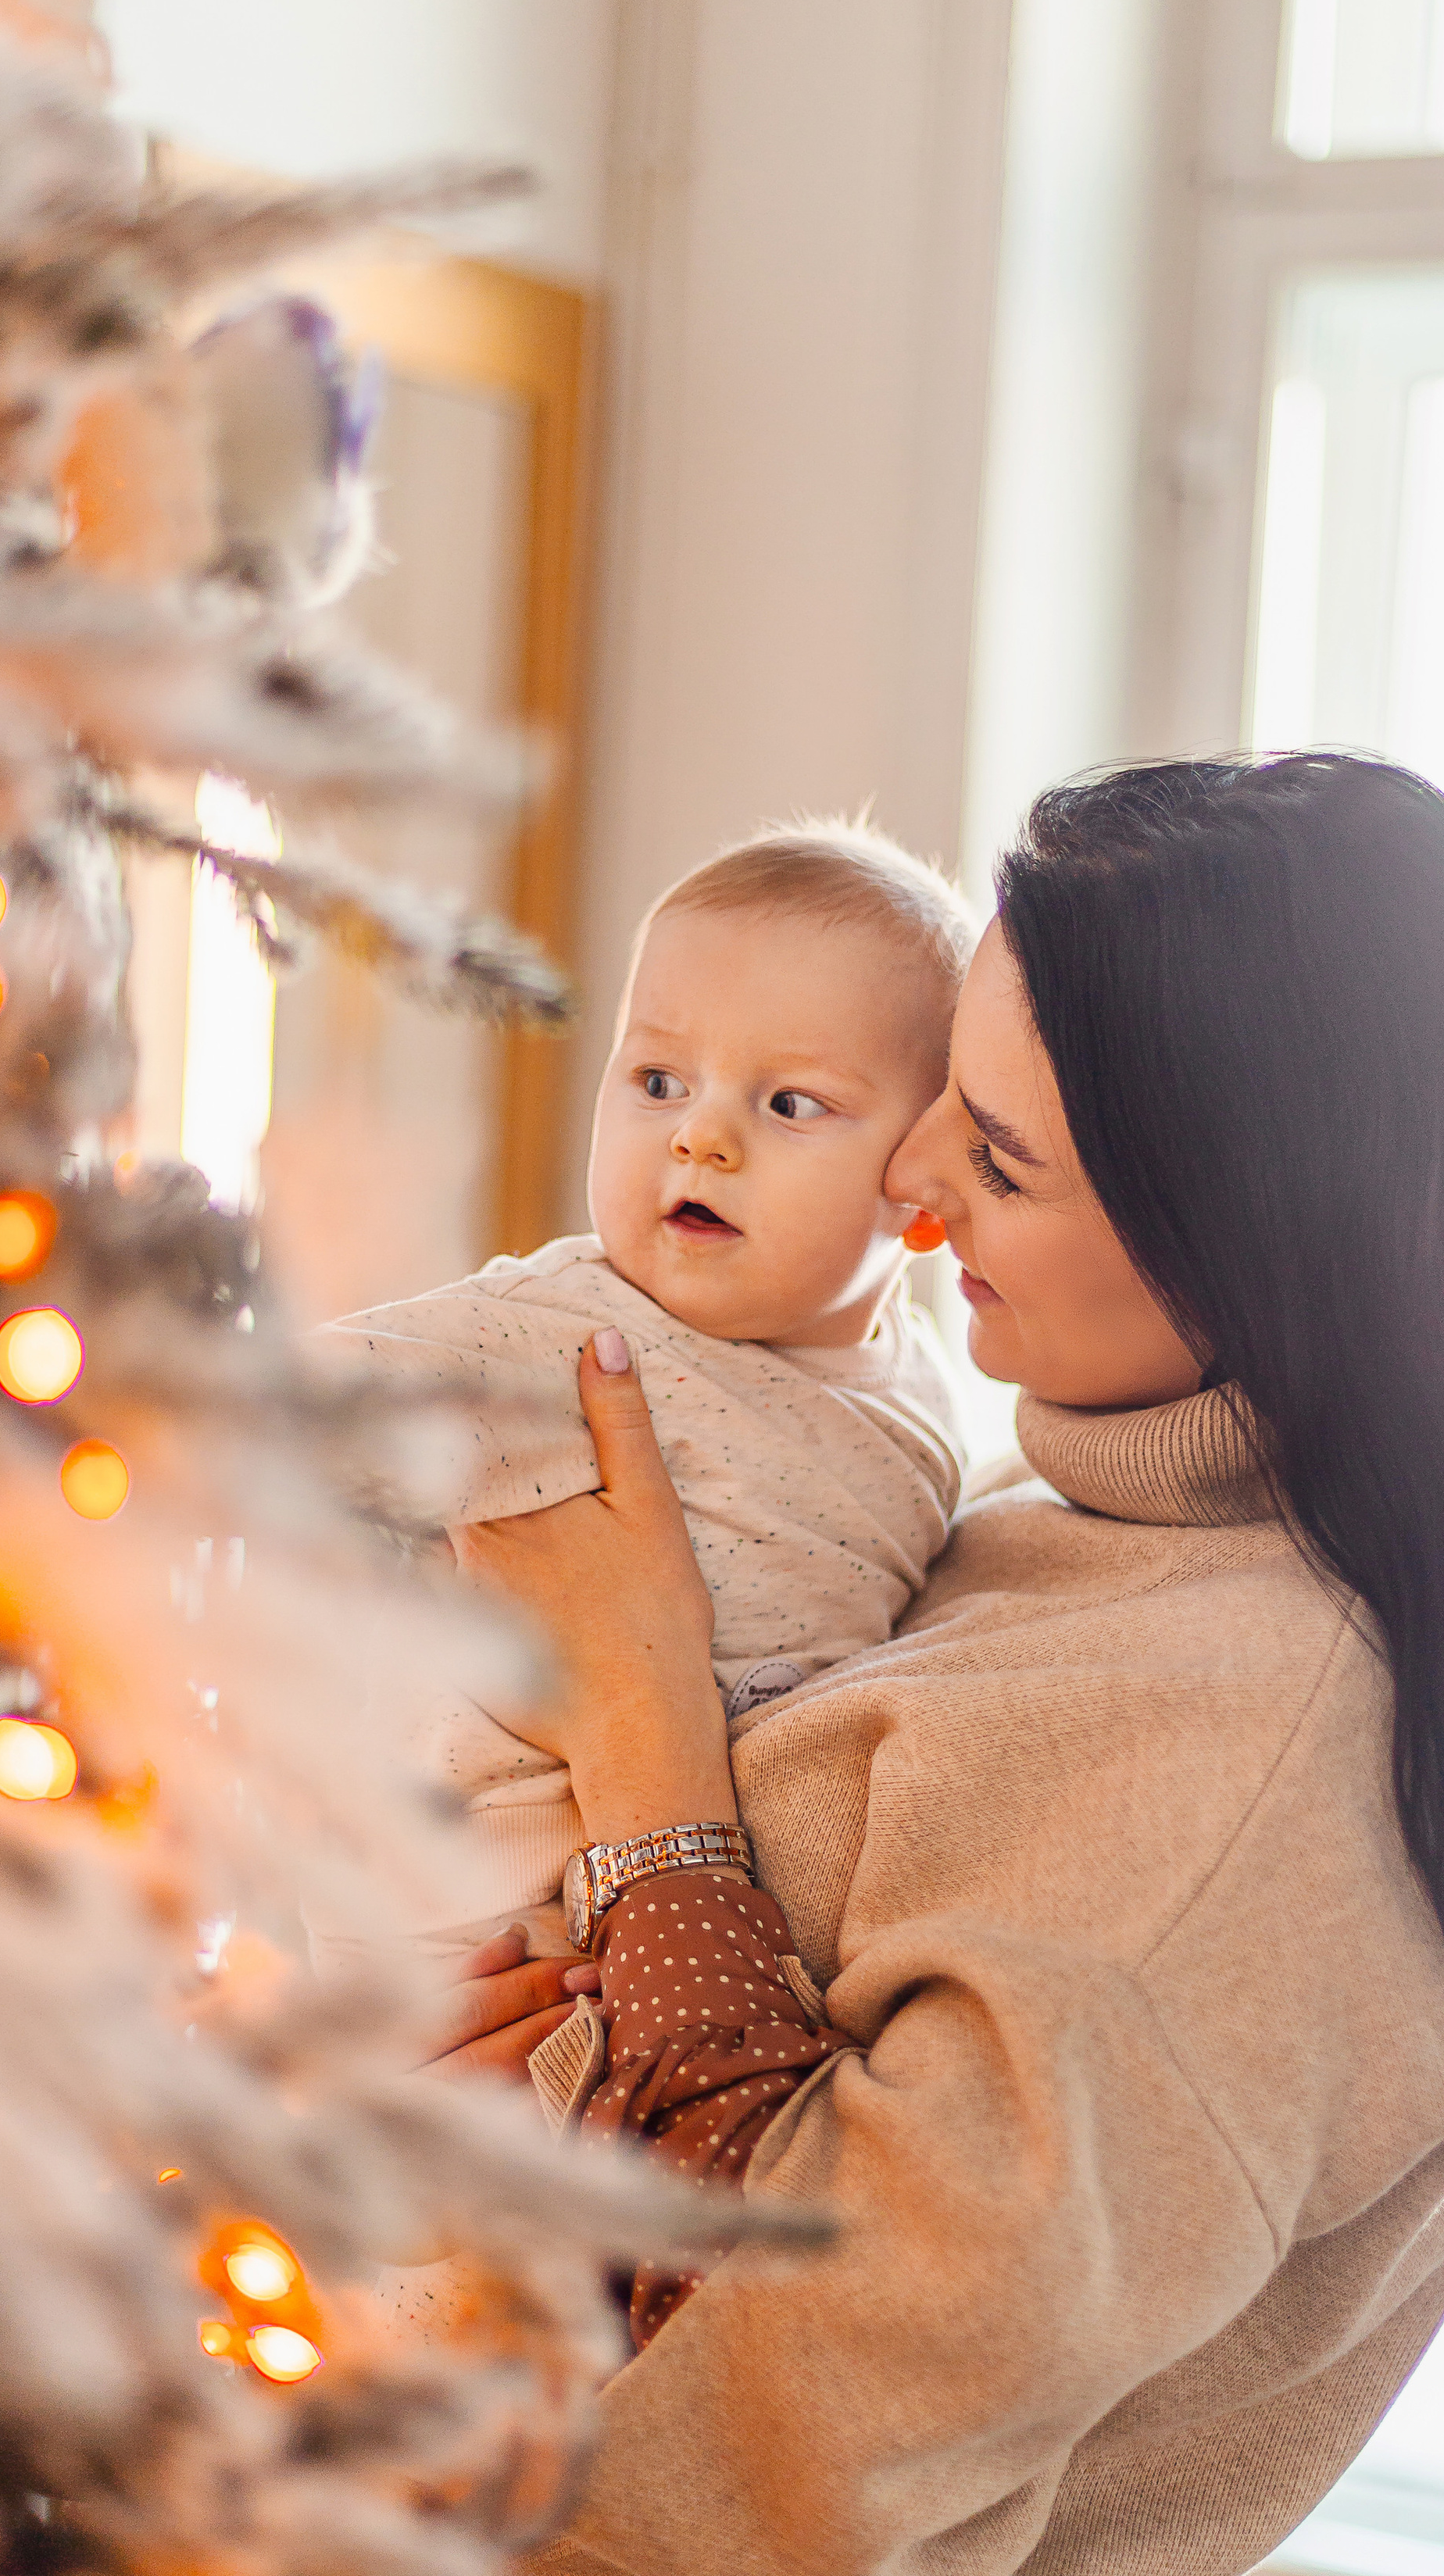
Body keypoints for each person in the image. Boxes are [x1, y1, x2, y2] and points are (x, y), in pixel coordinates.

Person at [420, 756, 1444, 2576]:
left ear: (1247, 1232)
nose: (907, 1184)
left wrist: (643, 1725)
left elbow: (824, 2442)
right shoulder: (1053, 1523)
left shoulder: (1254, 1763)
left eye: (996, 1155)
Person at [323, 821, 971, 1956]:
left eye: (790, 1105)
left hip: (710, 1904)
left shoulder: (920, 1392)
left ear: (920, 1188)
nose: (702, 1138)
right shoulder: (571, 1331)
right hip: (466, 1887)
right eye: (660, 1080)